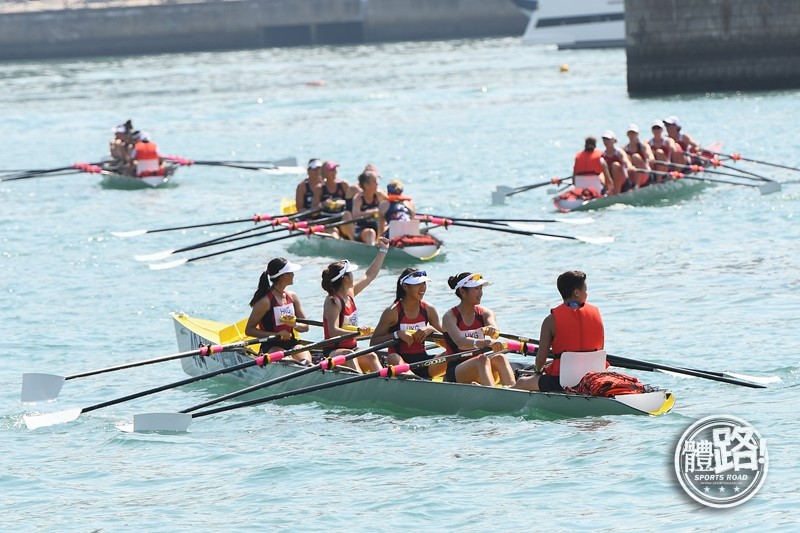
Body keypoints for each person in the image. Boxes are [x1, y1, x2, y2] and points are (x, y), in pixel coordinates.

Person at [512, 270, 604, 393]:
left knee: (521, 382)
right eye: (585, 290)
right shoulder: (596, 314)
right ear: (576, 292)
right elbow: (600, 348)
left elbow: (540, 359)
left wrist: (537, 372)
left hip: (562, 382)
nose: (587, 294)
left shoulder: (550, 321)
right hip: (593, 379)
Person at [320, 236, 391, 373]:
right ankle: (361, 382)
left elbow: (369, 275)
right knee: (350, 356)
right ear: (345, 278)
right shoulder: (332, 301)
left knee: (371, 355)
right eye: (351, 273)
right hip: (333, 352)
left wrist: (383, 250)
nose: (354, 275)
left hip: (351, 348)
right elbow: (333, 331)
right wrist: (358, 332)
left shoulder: (349, 294)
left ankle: (385, 383)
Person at [370, 268, 446, 379]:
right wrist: (396, 334)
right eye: (417, 284)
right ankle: (415, 380)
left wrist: (432, 330)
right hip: (399, 361)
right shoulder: (392, 312)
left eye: (424, 283)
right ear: (405, 287)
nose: (423, 288)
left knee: (451, 355)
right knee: (393, 357)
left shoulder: (429, 309)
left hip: (424, 362)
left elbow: (448, 344)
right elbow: (373, 342)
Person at [441, 272, 515, 387]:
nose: (480, 293)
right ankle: (491, 394)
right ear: (462, 292)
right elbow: (461, 343)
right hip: (456, 369)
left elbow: (495, 334)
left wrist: (492, 330)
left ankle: (514, 391)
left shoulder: (486, 313)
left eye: (481, 288)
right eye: (476, 289)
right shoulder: (450, 317)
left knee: (500, 357)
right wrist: (486, 342)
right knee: (482, 360)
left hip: (481, 366)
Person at [245, 257, 312, 364]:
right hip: (271, 345)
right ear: (284, 276)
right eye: (291, 272)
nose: (294, 274)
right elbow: (249, 330)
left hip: (292, 343)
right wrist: (276, 334)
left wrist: (294, 325)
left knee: (306, 362)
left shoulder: (292, 297)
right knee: (287, 362)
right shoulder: (265, 301)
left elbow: (305, 327)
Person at [320, 161, 354, 239]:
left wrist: (343, 202)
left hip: (341, 219)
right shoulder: (320, 188)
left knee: (347, 214)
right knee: (334, 233)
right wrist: (323, 204)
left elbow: (352, 203)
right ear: (325, 173)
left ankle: (354, 240)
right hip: (327, 221)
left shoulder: (343, 184)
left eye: (335, 170)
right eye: (331, 170)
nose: (334, 172)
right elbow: (313, 209)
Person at [350, 169, 385, 245]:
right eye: (375, 182)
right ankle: (373, 253)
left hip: (377, 226)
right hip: (362, 229)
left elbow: (389, 206)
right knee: (370, 232)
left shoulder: (379, 194)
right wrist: (374, 211)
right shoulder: (358, 198)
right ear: (366, 185)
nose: (377, 184)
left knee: (389, 229)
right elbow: (355, 215)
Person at [600, 130, 636, 194]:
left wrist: (630, 166)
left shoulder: (619, 152)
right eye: (604, 139)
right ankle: (607, 190)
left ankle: (616, 192)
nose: (606, 141)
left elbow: (626, 161)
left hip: (623, 183)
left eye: (608, 139)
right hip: (610, 181)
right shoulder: (603, 155)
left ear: (614, 141)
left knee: (615, 165)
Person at [623, 124, 655, 188]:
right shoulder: (624, 149)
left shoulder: (643, 146)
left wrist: (650, 158)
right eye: (630, 133)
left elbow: (650, 155)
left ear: (637, 134)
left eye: (633, 133)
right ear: (627, 135)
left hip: (645, 174)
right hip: (632, 174)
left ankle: (636, 186)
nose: (631, 135)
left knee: (635, 157)